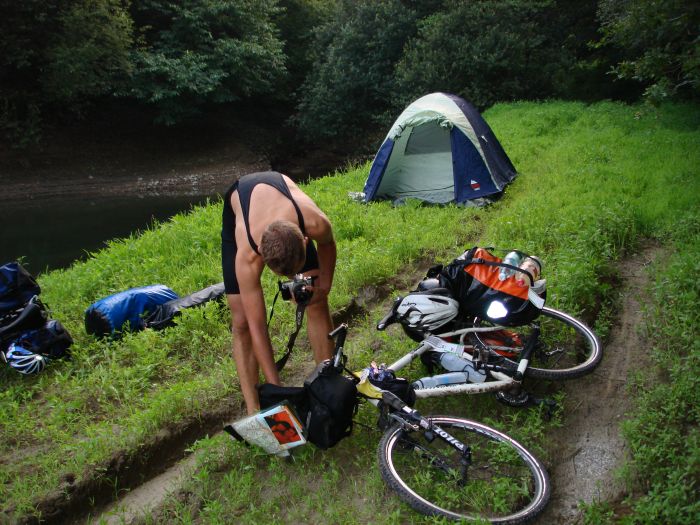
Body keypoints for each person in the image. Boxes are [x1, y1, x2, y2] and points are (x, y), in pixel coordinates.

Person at [221, 171, 336, 414]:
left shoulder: (314, 222)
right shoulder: (248, 255)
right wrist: (277, 392)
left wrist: (323, 288)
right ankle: (257, 410)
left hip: (285, 208)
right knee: (241, 321)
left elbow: (327, 244)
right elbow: (258, 328)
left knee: (314, 300)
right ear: (262, 254)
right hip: (240, 205)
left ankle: (327, 384)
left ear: (305, 240)